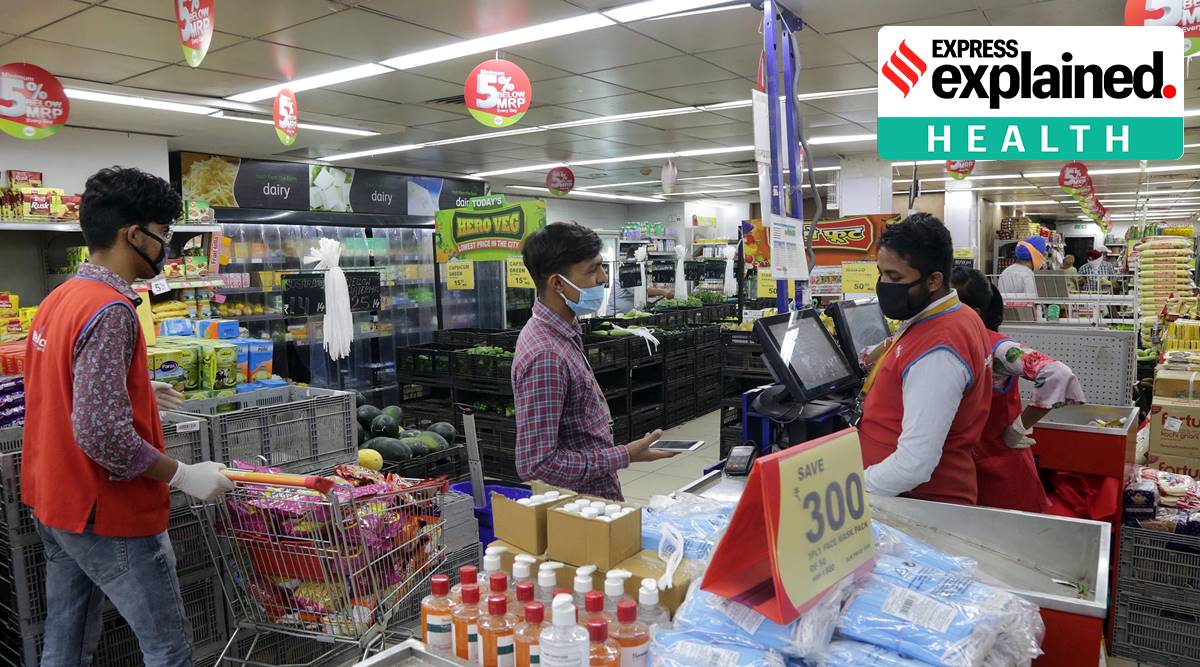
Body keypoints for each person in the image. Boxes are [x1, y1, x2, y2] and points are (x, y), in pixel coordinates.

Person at [21, 167, 235, 666]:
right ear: (133, 234)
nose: (167, 247)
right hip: (107, 511)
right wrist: (183, 475)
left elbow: (59, 390)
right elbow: (101, 433)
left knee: (67, 642)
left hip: (55, 499)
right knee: (168, 648)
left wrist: (135, 390)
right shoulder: (113, 308)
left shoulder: (59, 298)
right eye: (163, 234)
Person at [512, 222, 675, 500]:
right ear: (557, 284)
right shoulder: (546, 355)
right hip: (580, 511)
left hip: (595, 497)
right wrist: (624, 455)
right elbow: (536, 464)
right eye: (592, 270)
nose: (602, 278)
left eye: (601, 267)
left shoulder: (563, 331)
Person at [857, 213, 992, 505]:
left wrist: (850, 489)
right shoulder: (953, 316)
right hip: (910, 497)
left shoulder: (939, 350)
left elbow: (913, 465)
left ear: (933, 280)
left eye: (895, 277)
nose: (884, 284)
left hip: (918, 504)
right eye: (881, 273)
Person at [951, 267, 1086, 513]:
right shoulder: (949, 343)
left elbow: (1057, 374)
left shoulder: (997, 349)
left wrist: (1017, 428)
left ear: (972, 312)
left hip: (999, 476)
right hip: (964, 473)